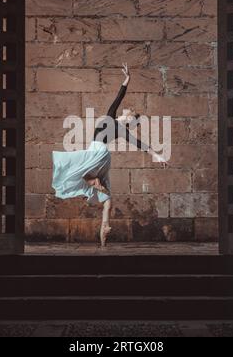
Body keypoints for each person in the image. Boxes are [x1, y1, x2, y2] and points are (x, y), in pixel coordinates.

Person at [52, 64, 167, 247]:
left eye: (132, 117)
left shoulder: (111, 117)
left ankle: (92, 181)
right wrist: (157, 155)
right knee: (107, 198)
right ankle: (105, 226)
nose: (129, 113)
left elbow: (118, 97)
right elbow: (141, 145)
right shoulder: (123, 132)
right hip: (104, 157)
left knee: (70, 169)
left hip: (96, 153)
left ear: (129, 118)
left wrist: (127, 78)